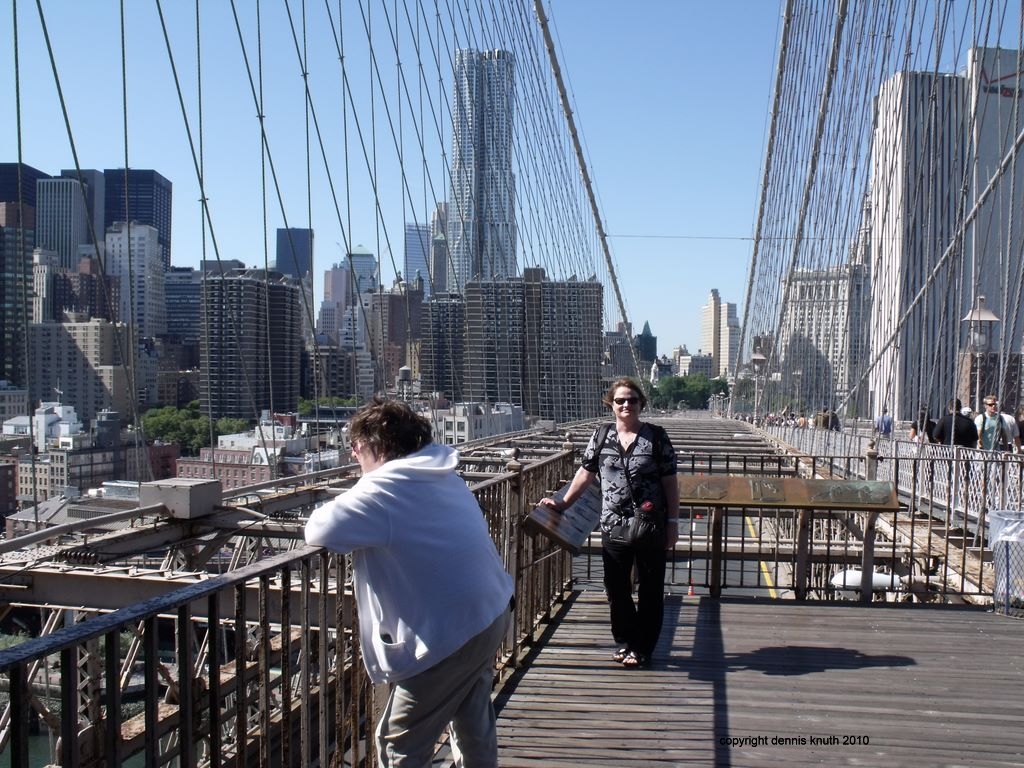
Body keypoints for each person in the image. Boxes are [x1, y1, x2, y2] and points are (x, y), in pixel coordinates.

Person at [305, 397, 513, 768]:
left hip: (449, 634)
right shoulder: (443, 472)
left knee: (398, 743)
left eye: (355, 446)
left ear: (377, 445)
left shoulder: (384, 489)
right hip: (491, 611)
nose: (353, 455)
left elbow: (319, 529)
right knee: (472, 716)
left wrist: (359, 489)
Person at [538, 378, 678, 669]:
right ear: (611, 404)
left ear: (641, 404)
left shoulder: (657, 436)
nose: (626, 405)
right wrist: (562, 503)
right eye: (620, 401)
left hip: (650, 525)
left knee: (651, 590)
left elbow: (670, 482)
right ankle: (626, 640)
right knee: (616, 589)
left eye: (632, 400)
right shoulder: (601, 436)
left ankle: (642, 648)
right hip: (613, 525)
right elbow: (586, 473)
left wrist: (673, 522)